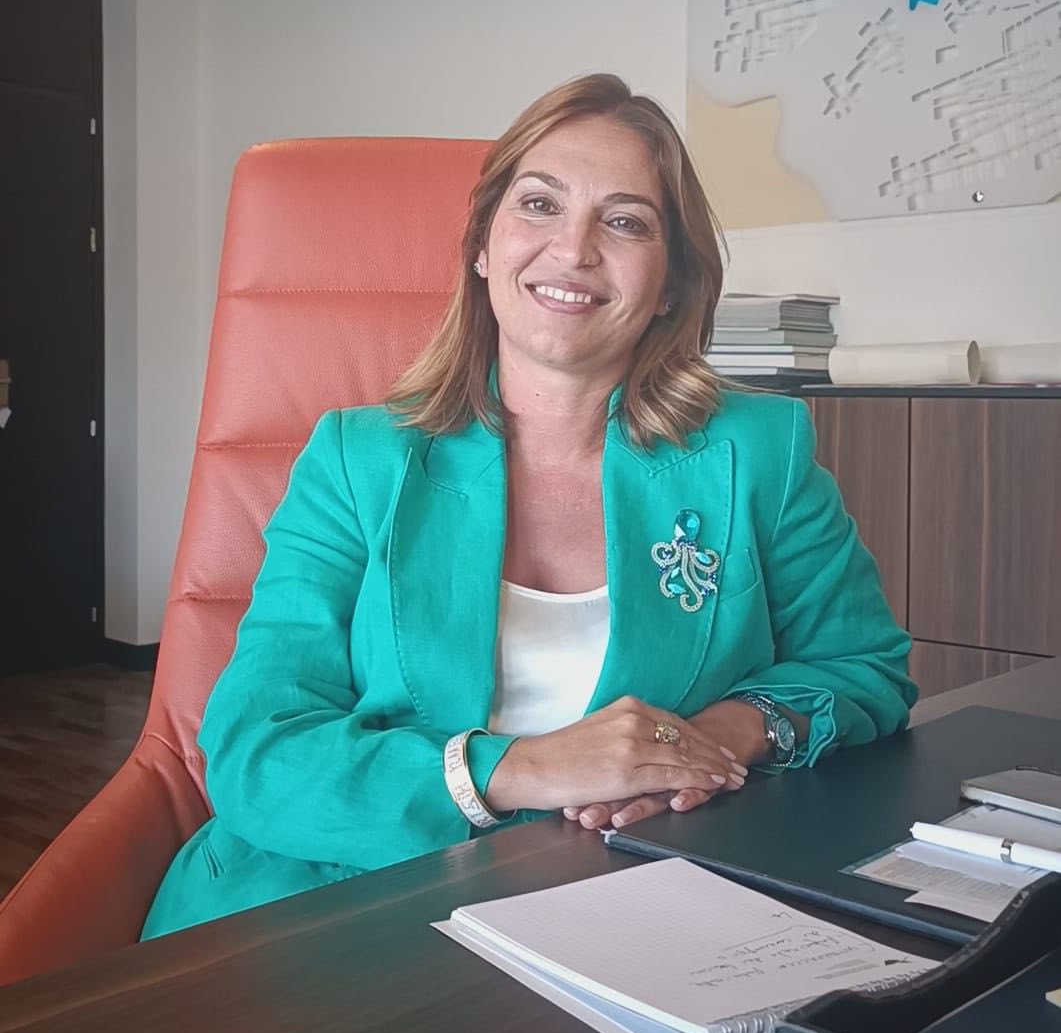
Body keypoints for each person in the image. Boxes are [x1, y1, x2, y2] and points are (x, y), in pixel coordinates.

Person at [141, 73, 916, 940]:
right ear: (483, 244)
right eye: (539, 205)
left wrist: (711, 736)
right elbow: (256, 748)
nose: (573, 249)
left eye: (625, 222)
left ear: (669, 281)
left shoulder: (757, 451)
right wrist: (517, 769)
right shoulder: (358, 458)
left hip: (633, 905)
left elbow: (861, 667)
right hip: (341, 896)